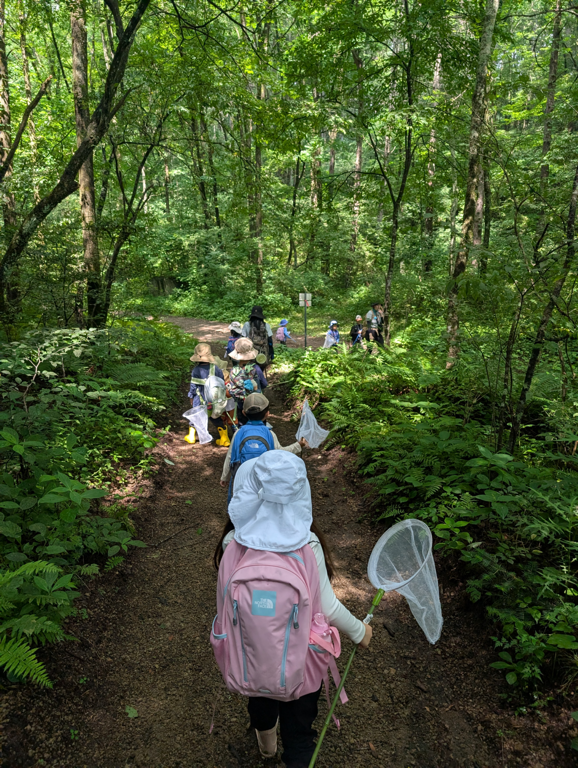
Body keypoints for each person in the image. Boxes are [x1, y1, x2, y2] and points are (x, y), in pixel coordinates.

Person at [212, 451, 372, 767]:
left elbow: (223, 605)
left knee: (260, 703)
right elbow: (328, 606)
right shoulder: (307, 544)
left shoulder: (233, 542)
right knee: (299, 733)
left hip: (251, 654)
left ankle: (267, 747)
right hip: (301, 663)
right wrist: (360, 631)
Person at [219, 392, 307, 490]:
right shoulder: (270, 434)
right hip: (264, 480)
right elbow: (281, 453)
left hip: (242, 480)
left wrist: (224, 477)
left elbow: (230, 456)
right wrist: (299, 445)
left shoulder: (238, 433)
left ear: (244, 413)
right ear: (267, 414)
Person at [187, 343, 227, 443]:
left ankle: (191, 437)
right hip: (213, 399)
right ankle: (224, 438)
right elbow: (221, 383)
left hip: (199, 399)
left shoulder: (195, 370)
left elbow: (193, 387)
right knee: (215, 416)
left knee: (196, 416)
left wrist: (191, 397)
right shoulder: (216, 368)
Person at [227, 338, 268, 426]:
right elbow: (264, 384)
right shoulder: (256, 368)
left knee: (243, 424)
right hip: (257, 404)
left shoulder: (233, 370)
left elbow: (231, 388)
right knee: (259, 425)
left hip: (241, 405)